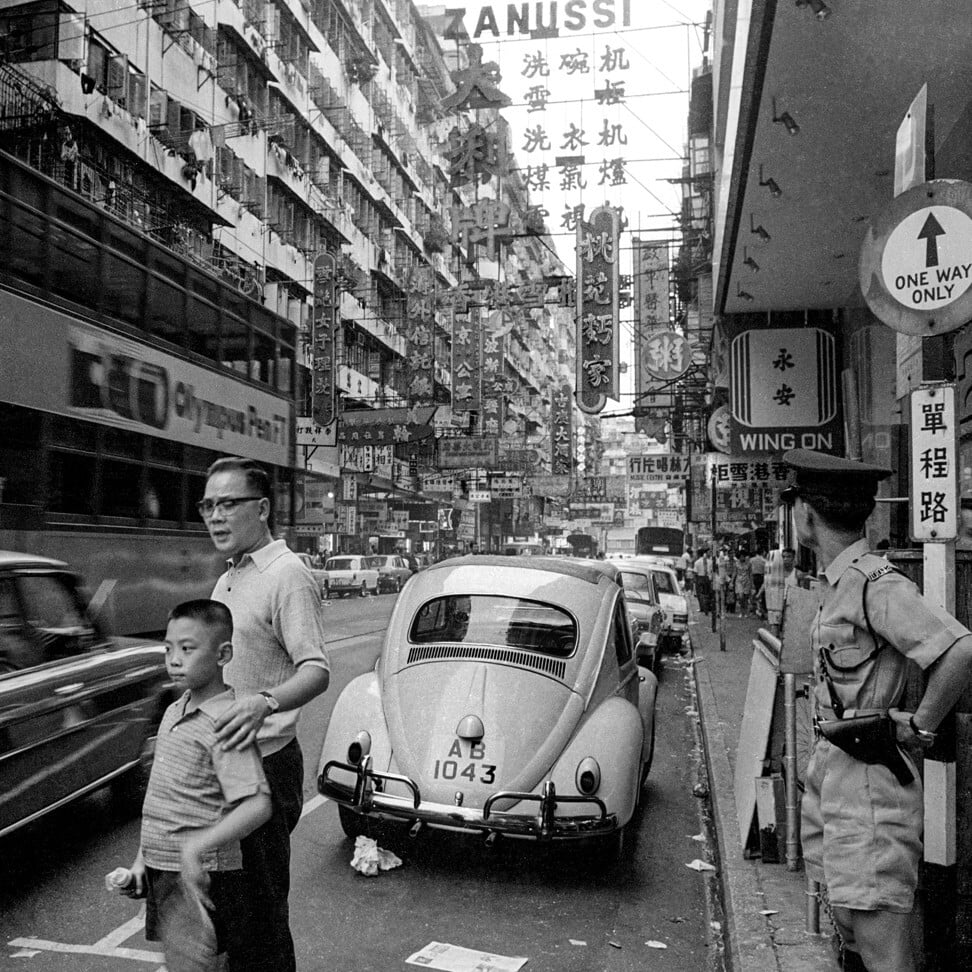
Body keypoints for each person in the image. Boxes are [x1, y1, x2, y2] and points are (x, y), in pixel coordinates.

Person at [782, 448, 972, 972]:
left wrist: (922, 724)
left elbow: (959, 650)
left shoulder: (876, 584)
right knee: (850, 924)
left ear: (806, 514)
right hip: (838, 775)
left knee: (881, 941)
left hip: (871, 785)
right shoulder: (839, 584)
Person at [201, 457, 330, 972]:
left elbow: (316, 669)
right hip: (224, 767)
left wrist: (266, 701)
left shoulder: (287, 576)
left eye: (228, 504)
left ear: (263, 508)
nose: (216, 516)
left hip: (266, 770)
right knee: (226, 914)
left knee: (261, 918)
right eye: (208, 505)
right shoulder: (229, 578)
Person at [119, 600, 272, 972]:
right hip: (166, 870)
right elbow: (164, 799)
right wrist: (142, 862)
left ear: (223, 655)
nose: (174, 659)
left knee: (199, 964)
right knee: (181, 961)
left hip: (205, 877)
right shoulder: (174, 710)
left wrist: (196, 848)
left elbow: (258, 803)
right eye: (168, 648)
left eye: (187, 649)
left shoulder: (225, 723)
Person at [763, 546, 803, 635]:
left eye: (788, 557)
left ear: (793, 558)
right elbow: (767, 584)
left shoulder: (798, 574)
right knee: (775, 627)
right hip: (777, 603)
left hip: (791, 605)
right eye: (783, 557)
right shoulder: (776, 572)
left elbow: (802, 591)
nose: (786, 559)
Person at [693, 547, 712, 614]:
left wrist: (695, 580)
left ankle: (702, 607)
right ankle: (707, 607)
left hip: (700, 578)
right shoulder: (710, 562)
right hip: (708, 578)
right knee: (707, 593)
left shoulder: (697, 562)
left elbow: (695, 572)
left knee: (700, 594)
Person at [749, 549, 766, 618]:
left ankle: (754, 609)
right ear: (762, 552)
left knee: (754, 592)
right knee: (761, 593)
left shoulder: (751, 560)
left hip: (753, 577)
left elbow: (749, 569)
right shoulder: (764, 561)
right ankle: (760, 609)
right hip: (762, 577)